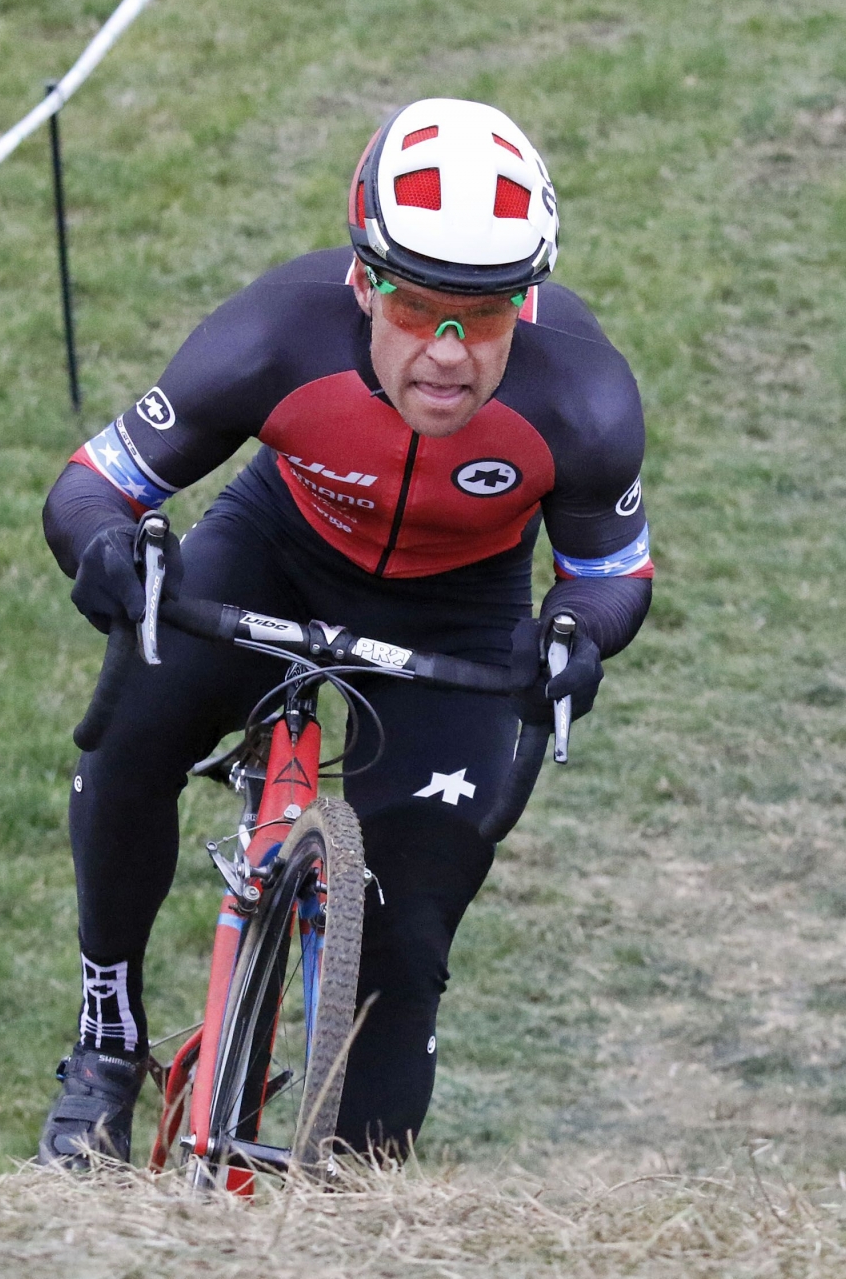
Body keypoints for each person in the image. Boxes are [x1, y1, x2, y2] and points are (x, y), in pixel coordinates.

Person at [33, 98, 654, 1167]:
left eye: (488, 312)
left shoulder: (583, 399)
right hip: (277, 547)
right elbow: (93, 485)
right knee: (128, 743)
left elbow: (610, 573)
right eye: (418, 307)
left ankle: (358, 1213)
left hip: (458, 609)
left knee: (409, 935)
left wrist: (572, 634)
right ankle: (104, 1044)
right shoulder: (273, 334)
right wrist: (108, 549)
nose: (450, 353)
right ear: (364, 280)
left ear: (529, 298)